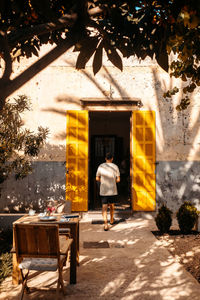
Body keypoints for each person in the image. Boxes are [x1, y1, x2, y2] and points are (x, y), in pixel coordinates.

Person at [96, 152, 120, 231]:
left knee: (104, 206)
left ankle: (105, 224)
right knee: (112, 205)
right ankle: (112, 219)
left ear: (105, 158)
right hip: (112, 190)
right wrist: (112, 181)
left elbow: (97, 178)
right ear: (112, 158)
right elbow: (118, 179)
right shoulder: (115, 167)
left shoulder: (101, 166)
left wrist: (103, 181)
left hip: (104, 189)